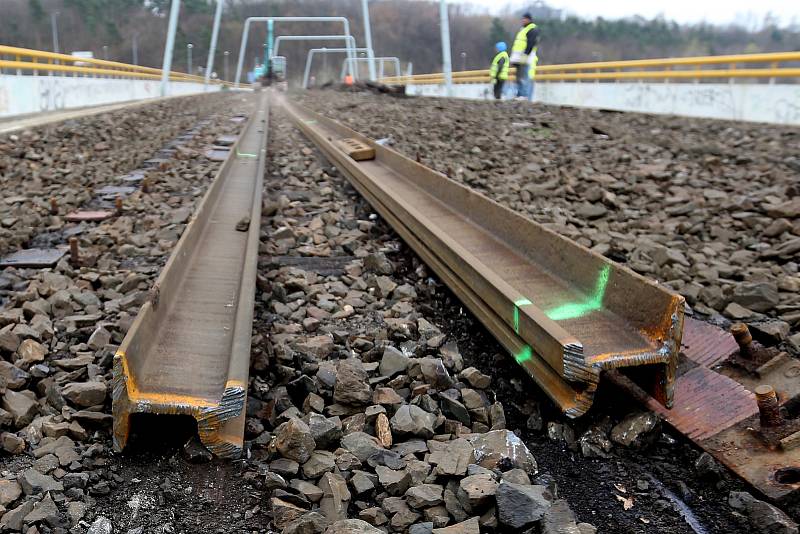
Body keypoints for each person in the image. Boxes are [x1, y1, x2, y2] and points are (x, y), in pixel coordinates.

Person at [510, 12, 539, 100]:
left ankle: (524, 95)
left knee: (524, 76)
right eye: (522, 18)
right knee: (519, 77)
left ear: (529, 19)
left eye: (524, 18)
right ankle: (519, 94)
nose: (523, 20)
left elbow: (531, 43)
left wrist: (526, 54)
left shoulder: (532, 29)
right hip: (519, 58)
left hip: (525, 57)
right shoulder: (523, 29)